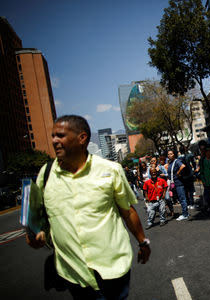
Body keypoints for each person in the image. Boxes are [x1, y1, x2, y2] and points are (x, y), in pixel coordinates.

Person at [26, 115, 150, 298]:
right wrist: (34, 238)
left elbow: (128, 211)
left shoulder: (110, 170)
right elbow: (37, 222)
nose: (54, 141)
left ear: (82, 138)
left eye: (60, 135)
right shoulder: (45, 175)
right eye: (53, 136)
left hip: (113, 269)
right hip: (74, 276)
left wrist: (143, 243)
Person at [167, 149, 189, 220]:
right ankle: (184, 212)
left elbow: (183, 166)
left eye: (171, 154)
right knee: (179, 198)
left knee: (182, 198)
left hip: (179, 183)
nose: (169, 155)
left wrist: (178, 172)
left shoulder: (177, 161)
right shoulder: (171, 163)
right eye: (168, 154)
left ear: (174, 154)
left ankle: (185, 214)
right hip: (174, 184)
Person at [196, 144, 210, 217]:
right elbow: (201, 171)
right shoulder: (202, 160)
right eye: (207, 151)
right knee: (208, 198)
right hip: (206, 182)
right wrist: (203, 180)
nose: (208, 152)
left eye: (209, 151)